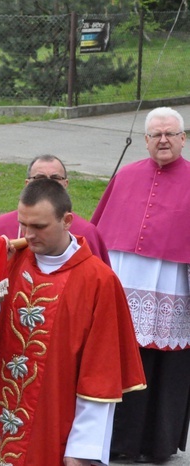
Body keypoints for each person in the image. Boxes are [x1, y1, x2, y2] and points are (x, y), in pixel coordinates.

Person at [0, 178, 145, 465]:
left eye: (39, 227)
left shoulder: (98, 281)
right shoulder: (9, 263)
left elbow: (100, 376)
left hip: (54, 422)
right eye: (23, 225)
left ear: (67, 220)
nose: (28, 235)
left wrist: (82, 449)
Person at [91, 106, 190, 463]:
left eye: (170, 134)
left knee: (162, 365)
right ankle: (115, 441)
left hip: (172, 287)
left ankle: (156, 443)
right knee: (116, 359)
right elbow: (97, 232)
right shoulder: (126, 176)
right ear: (145, 141)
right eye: (155, 135)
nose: (163, 140)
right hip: (123, 282)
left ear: (183, 138)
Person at [0, 154, 110, 264]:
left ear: (65, 184)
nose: (47, 184)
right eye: (39, 178)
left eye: (55, 178)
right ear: (27, 184)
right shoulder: (3, 225)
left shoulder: (87, 231)